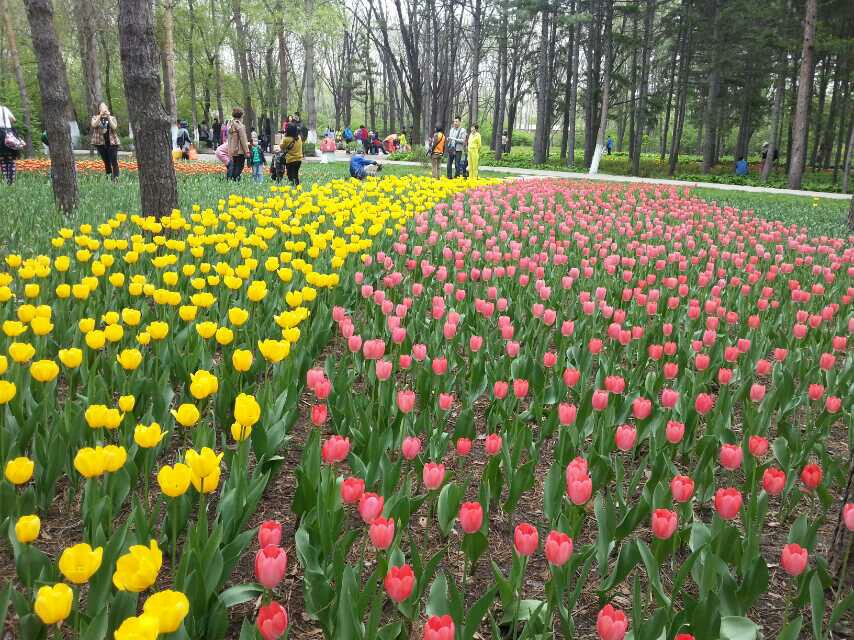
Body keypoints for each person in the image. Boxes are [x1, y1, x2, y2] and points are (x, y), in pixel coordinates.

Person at [90, 102, 121, 180]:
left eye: (105, 107)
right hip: (100, 143)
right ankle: (109, 180)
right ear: (99, 109)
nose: (103, 109)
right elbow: (94, 125)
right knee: (106, 163)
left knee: (114, 162)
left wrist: (108, 117)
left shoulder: (112, 117)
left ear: (107, 108)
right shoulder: (95, 117)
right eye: (101, 107)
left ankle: (116, 181)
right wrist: (100, 115)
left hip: (112, 143)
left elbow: (114, 127)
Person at [0, 103, 22, 185]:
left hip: (0, 136)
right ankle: (12, 182)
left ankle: (6, 181)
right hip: (9, 134)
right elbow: (13, 119)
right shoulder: (4, 108)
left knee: (2, 159)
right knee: (11, 159)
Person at [227, 107, 250, 181]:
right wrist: (247, 151)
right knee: (239, 166)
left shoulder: (230, 124)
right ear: (241, 115)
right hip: (239, 150)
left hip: (232, 149)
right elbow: (243, 139)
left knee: (234, 165)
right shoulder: (239, 125)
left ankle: (231, 180)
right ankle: (235, 180)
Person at [282, 122, 303, 187]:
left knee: (290, 175)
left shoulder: (286, 139)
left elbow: (281, 147)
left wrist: (283, 137)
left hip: (290, 160)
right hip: (298, 160)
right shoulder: (299, 138)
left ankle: (292, 187)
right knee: (295, 175)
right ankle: (297, 186)